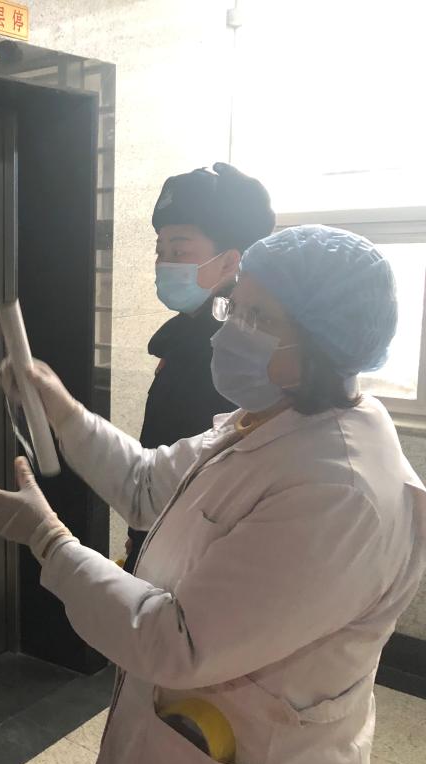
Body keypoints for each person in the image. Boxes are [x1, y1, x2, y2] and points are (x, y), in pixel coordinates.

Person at [0, 225, 426, 764]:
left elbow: (179, 644)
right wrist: (61, 410)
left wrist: (49, 542)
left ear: (326, 342)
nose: (228, 333)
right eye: (235, 307)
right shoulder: (269, 418)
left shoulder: (340, 493)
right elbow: (145, 484)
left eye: (260, 318)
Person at [124, 162, 275, 573]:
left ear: (229, 262)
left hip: (192, 552)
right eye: (160, 250)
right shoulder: (185, 336)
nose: (163, 263)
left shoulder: (234, 349)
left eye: (179, 250)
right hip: (160, 528)